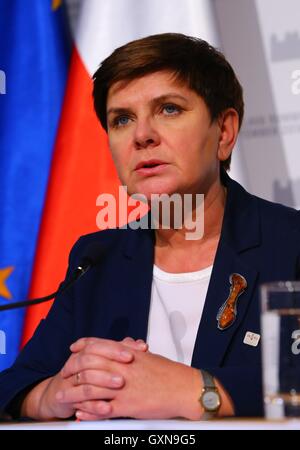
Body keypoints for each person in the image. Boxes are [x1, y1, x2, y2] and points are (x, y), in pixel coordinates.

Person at [0, 33, 299, 421]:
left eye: (169, 109)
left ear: (223, 133)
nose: (142, 135)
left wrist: (199, 391)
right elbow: (15, 385)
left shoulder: (289, 245)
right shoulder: (98, 259)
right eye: (122, 119)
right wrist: (50, 396)